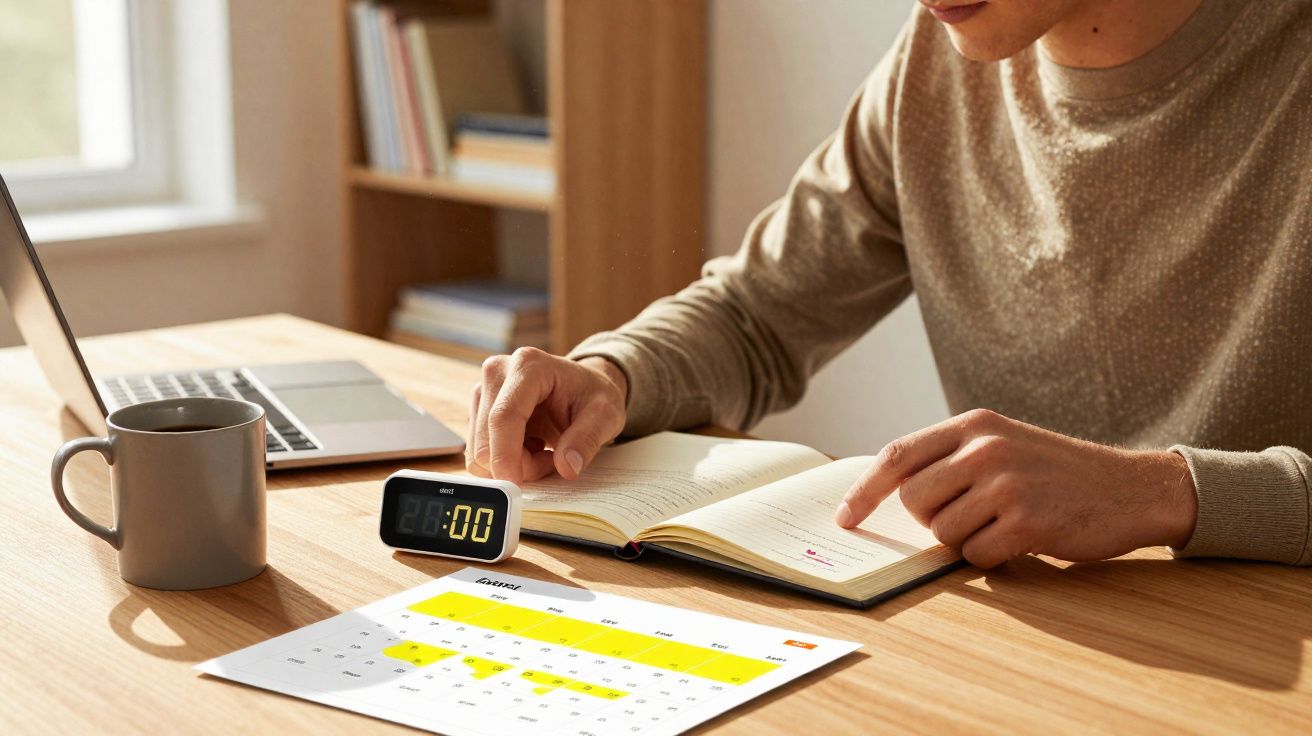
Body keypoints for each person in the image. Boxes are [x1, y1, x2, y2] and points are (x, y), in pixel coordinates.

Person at [466, 0, 1312, 569]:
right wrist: (615, 375)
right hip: (1023, 642)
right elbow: (759, 311)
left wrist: (1165, 493)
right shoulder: (939, 58)